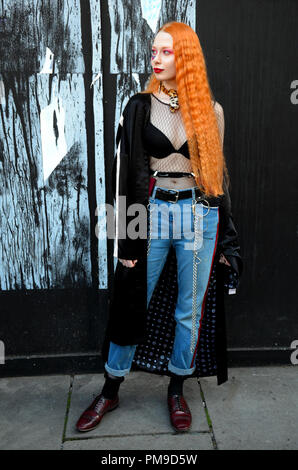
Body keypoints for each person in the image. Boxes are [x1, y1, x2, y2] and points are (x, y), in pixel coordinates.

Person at [76, 21, 243, 433]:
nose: (156, 57)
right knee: (131, 301)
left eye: (165, 51)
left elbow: (216, 181)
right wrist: (124, 241)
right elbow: (122, 176)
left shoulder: (211, 112)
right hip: (150, 213)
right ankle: (110, 390)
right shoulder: (139, 106)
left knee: (190, 311)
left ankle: (176, 390)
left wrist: (227, 239)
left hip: (199, 215)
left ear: (184, 57)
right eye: (154, 51)